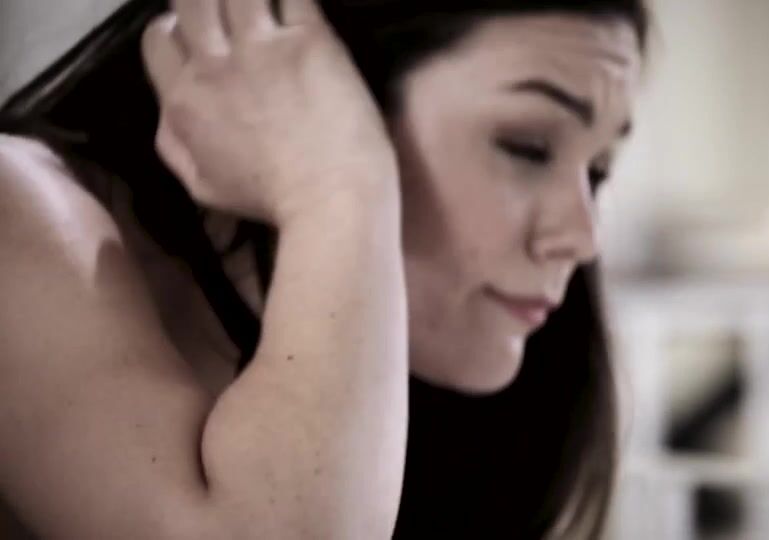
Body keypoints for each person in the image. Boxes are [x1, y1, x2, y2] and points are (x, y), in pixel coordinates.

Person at [0, 0, 648, 537]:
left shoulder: (461, 407)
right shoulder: (16, 206)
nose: (583, 237)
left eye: (597, 171)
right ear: (320, 83)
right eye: (527, 147)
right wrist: (337, 187)